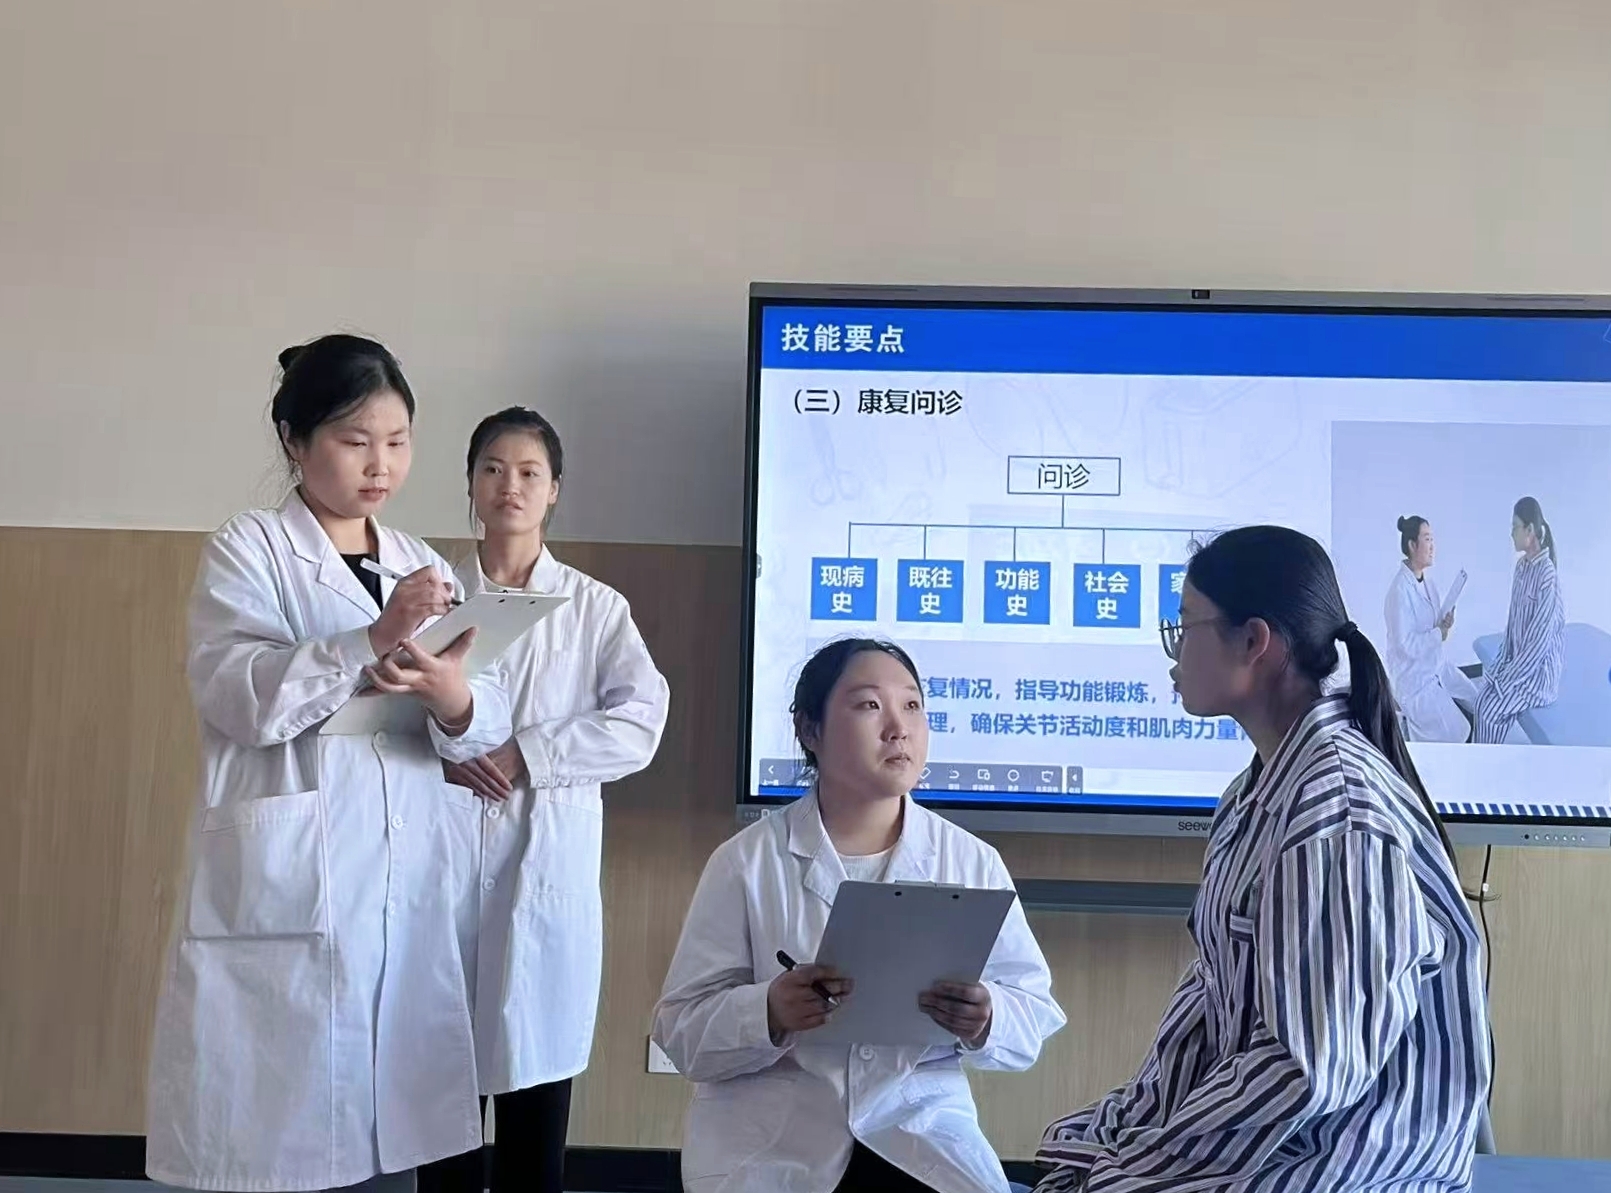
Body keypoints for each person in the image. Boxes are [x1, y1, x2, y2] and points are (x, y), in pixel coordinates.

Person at [145, 335, 514, 1192]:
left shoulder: (419, 561)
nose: (380, 465)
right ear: (293, 439)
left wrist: (453, 697)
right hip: (292, 867)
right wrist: (371, 639)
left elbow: (484, 710)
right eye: (355, 441)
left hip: (402, 869)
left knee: (395, 1134)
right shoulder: (249, 549)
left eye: (397, 441)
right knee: (278, 1136)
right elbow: (239, 695)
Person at [1038, 526, 1489, 1193]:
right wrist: (1112, 1139)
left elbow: (1306, 1073)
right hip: (1271, 1151)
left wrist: (1133, 1171)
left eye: (1184, 626)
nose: (1173, 651)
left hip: (1336, 1169)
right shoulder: (1255, 794)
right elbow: (1206, 1012)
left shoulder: (1333, 812)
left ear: (1254, 641)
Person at [653, 638, 1066, 1193]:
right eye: (870, 705)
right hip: (774, 1143)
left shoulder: (970, 861)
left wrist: (986, 1016)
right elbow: (681, 1031)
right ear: (810, 729)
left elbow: (1032, 1013)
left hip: (921, 1135)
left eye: (912, 705)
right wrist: (768, 1011)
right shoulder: (746, 862)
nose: (899, 728)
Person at [414, 407, 671, 1193]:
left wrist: (532, 753)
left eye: (529, 472)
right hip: (437, 877)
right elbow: (380, 719)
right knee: (439, 1125)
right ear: (469, 482)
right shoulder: (428, 594)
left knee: (534, 1127)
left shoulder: (595, 608)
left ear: (554, 489)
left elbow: (640, 722)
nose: (510, 486)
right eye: (492, 468)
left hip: (544, 880)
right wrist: (447, 755)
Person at [1474, 497, 1565, 745]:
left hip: (1538, 675)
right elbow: (1512, 626)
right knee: (1481, 699)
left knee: (1490, 712)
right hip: (1519, 664)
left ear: (1530, 530)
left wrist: (1506, 681)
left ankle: (1487, 762)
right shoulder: (1522, 567)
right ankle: (1481, 756)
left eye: (1515, 527)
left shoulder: (1547, 575)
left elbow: (1537, 646)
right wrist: (1499, 668)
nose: (1511, 533)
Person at [1384, 515, 1478, 742]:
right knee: (1459, 732)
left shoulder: (1429, 584)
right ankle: (1405, 728)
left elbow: (1433, 629)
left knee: (1478, 701)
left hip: (1436, 666)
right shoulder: (1399, 592)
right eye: (1427, 539)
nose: (1432, 546)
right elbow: (1405, 646)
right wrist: (1439, 633)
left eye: (1432, 539)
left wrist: (1445, 624)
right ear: (1412, 545)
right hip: (1414, 680)